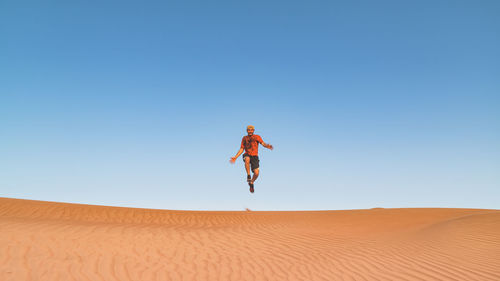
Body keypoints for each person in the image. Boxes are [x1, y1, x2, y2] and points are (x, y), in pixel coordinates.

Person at [230, 125, 273, 193]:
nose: (250, 131)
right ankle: (248, 175)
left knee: (256, 173)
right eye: (248, 130)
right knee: (247, 159)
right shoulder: (244, 138)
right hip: (247, 154)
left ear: (253, 130)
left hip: (255, 156)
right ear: (247, 131)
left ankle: (251, 182)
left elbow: (263, 143)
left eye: (251, 130)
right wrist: (235, 157)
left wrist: (267, 146)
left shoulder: (257, 137)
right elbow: (242, 149)